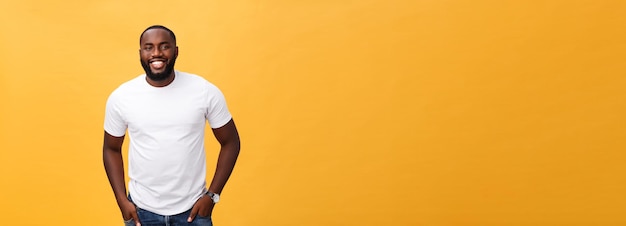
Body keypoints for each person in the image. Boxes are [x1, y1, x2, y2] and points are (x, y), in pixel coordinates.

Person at [103, 25, 241, 226]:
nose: (156, 53)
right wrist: (121, 200)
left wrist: (212, 196)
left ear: (176, 51)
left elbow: (231, 142)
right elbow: (111, 148)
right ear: (140, 53)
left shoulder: (204, 91)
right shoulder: (122, 97)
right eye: (149, 47)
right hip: (141, 212)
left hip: (193, 212)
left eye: (164, 46)